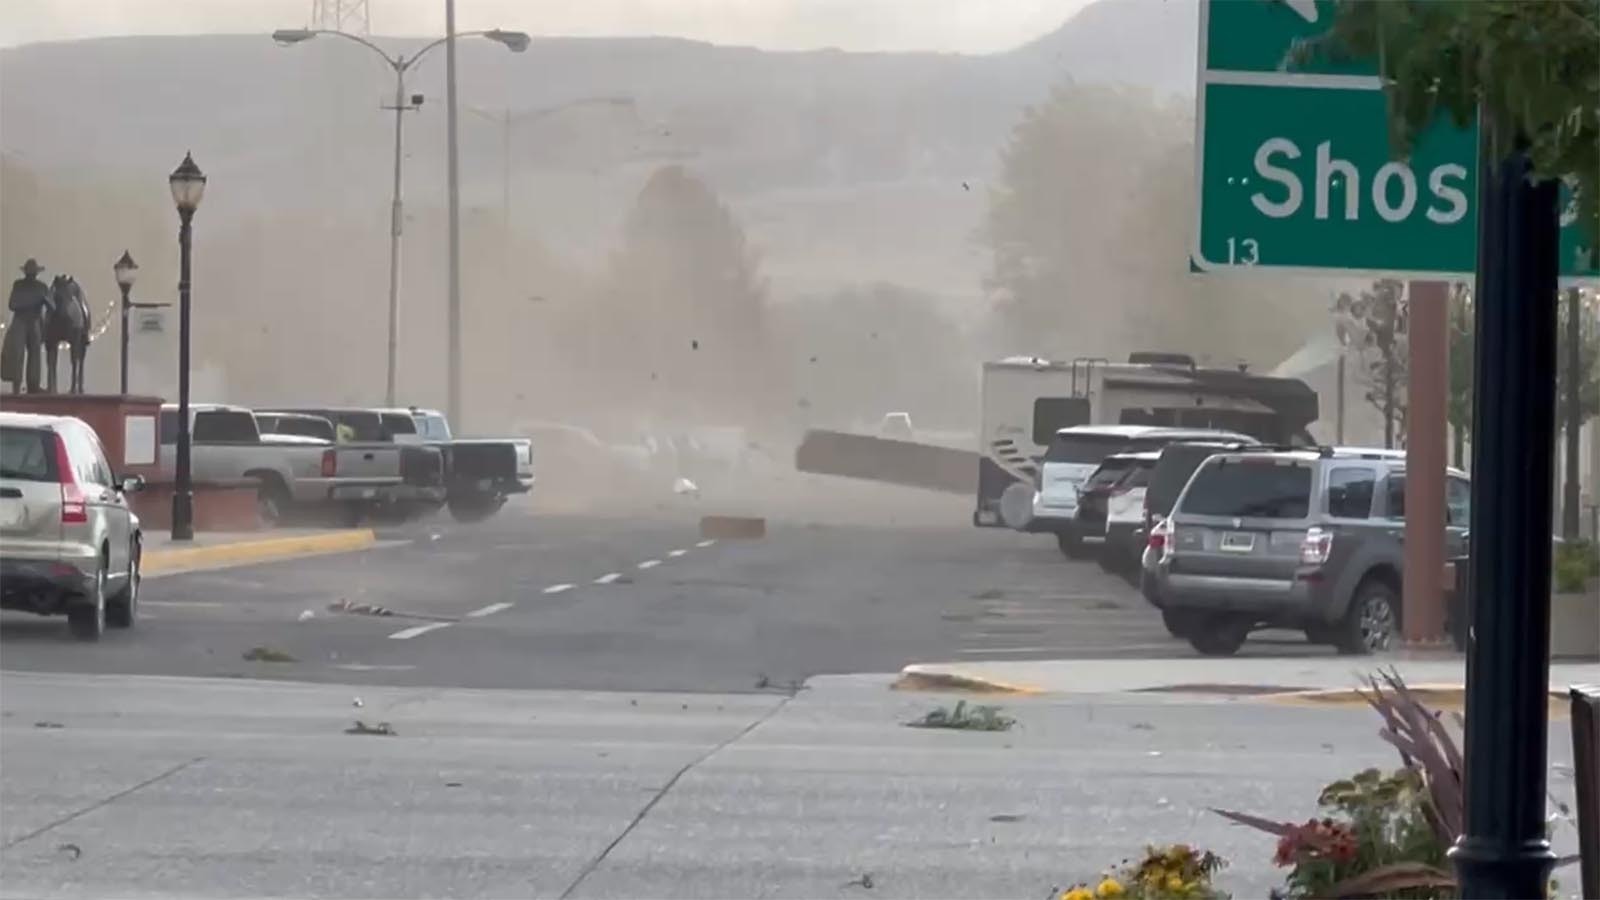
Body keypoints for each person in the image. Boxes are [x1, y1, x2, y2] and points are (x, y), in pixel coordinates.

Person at [2, 259, 52, 394]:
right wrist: (33, 301)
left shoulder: (42, 287)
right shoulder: (18, 285)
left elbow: (52, 306)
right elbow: (12, 304)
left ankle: (33, 385)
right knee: (17, 353)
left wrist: (45, 300)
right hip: (20, 322)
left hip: (35, 322)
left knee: (35, 354)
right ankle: (16, 386)